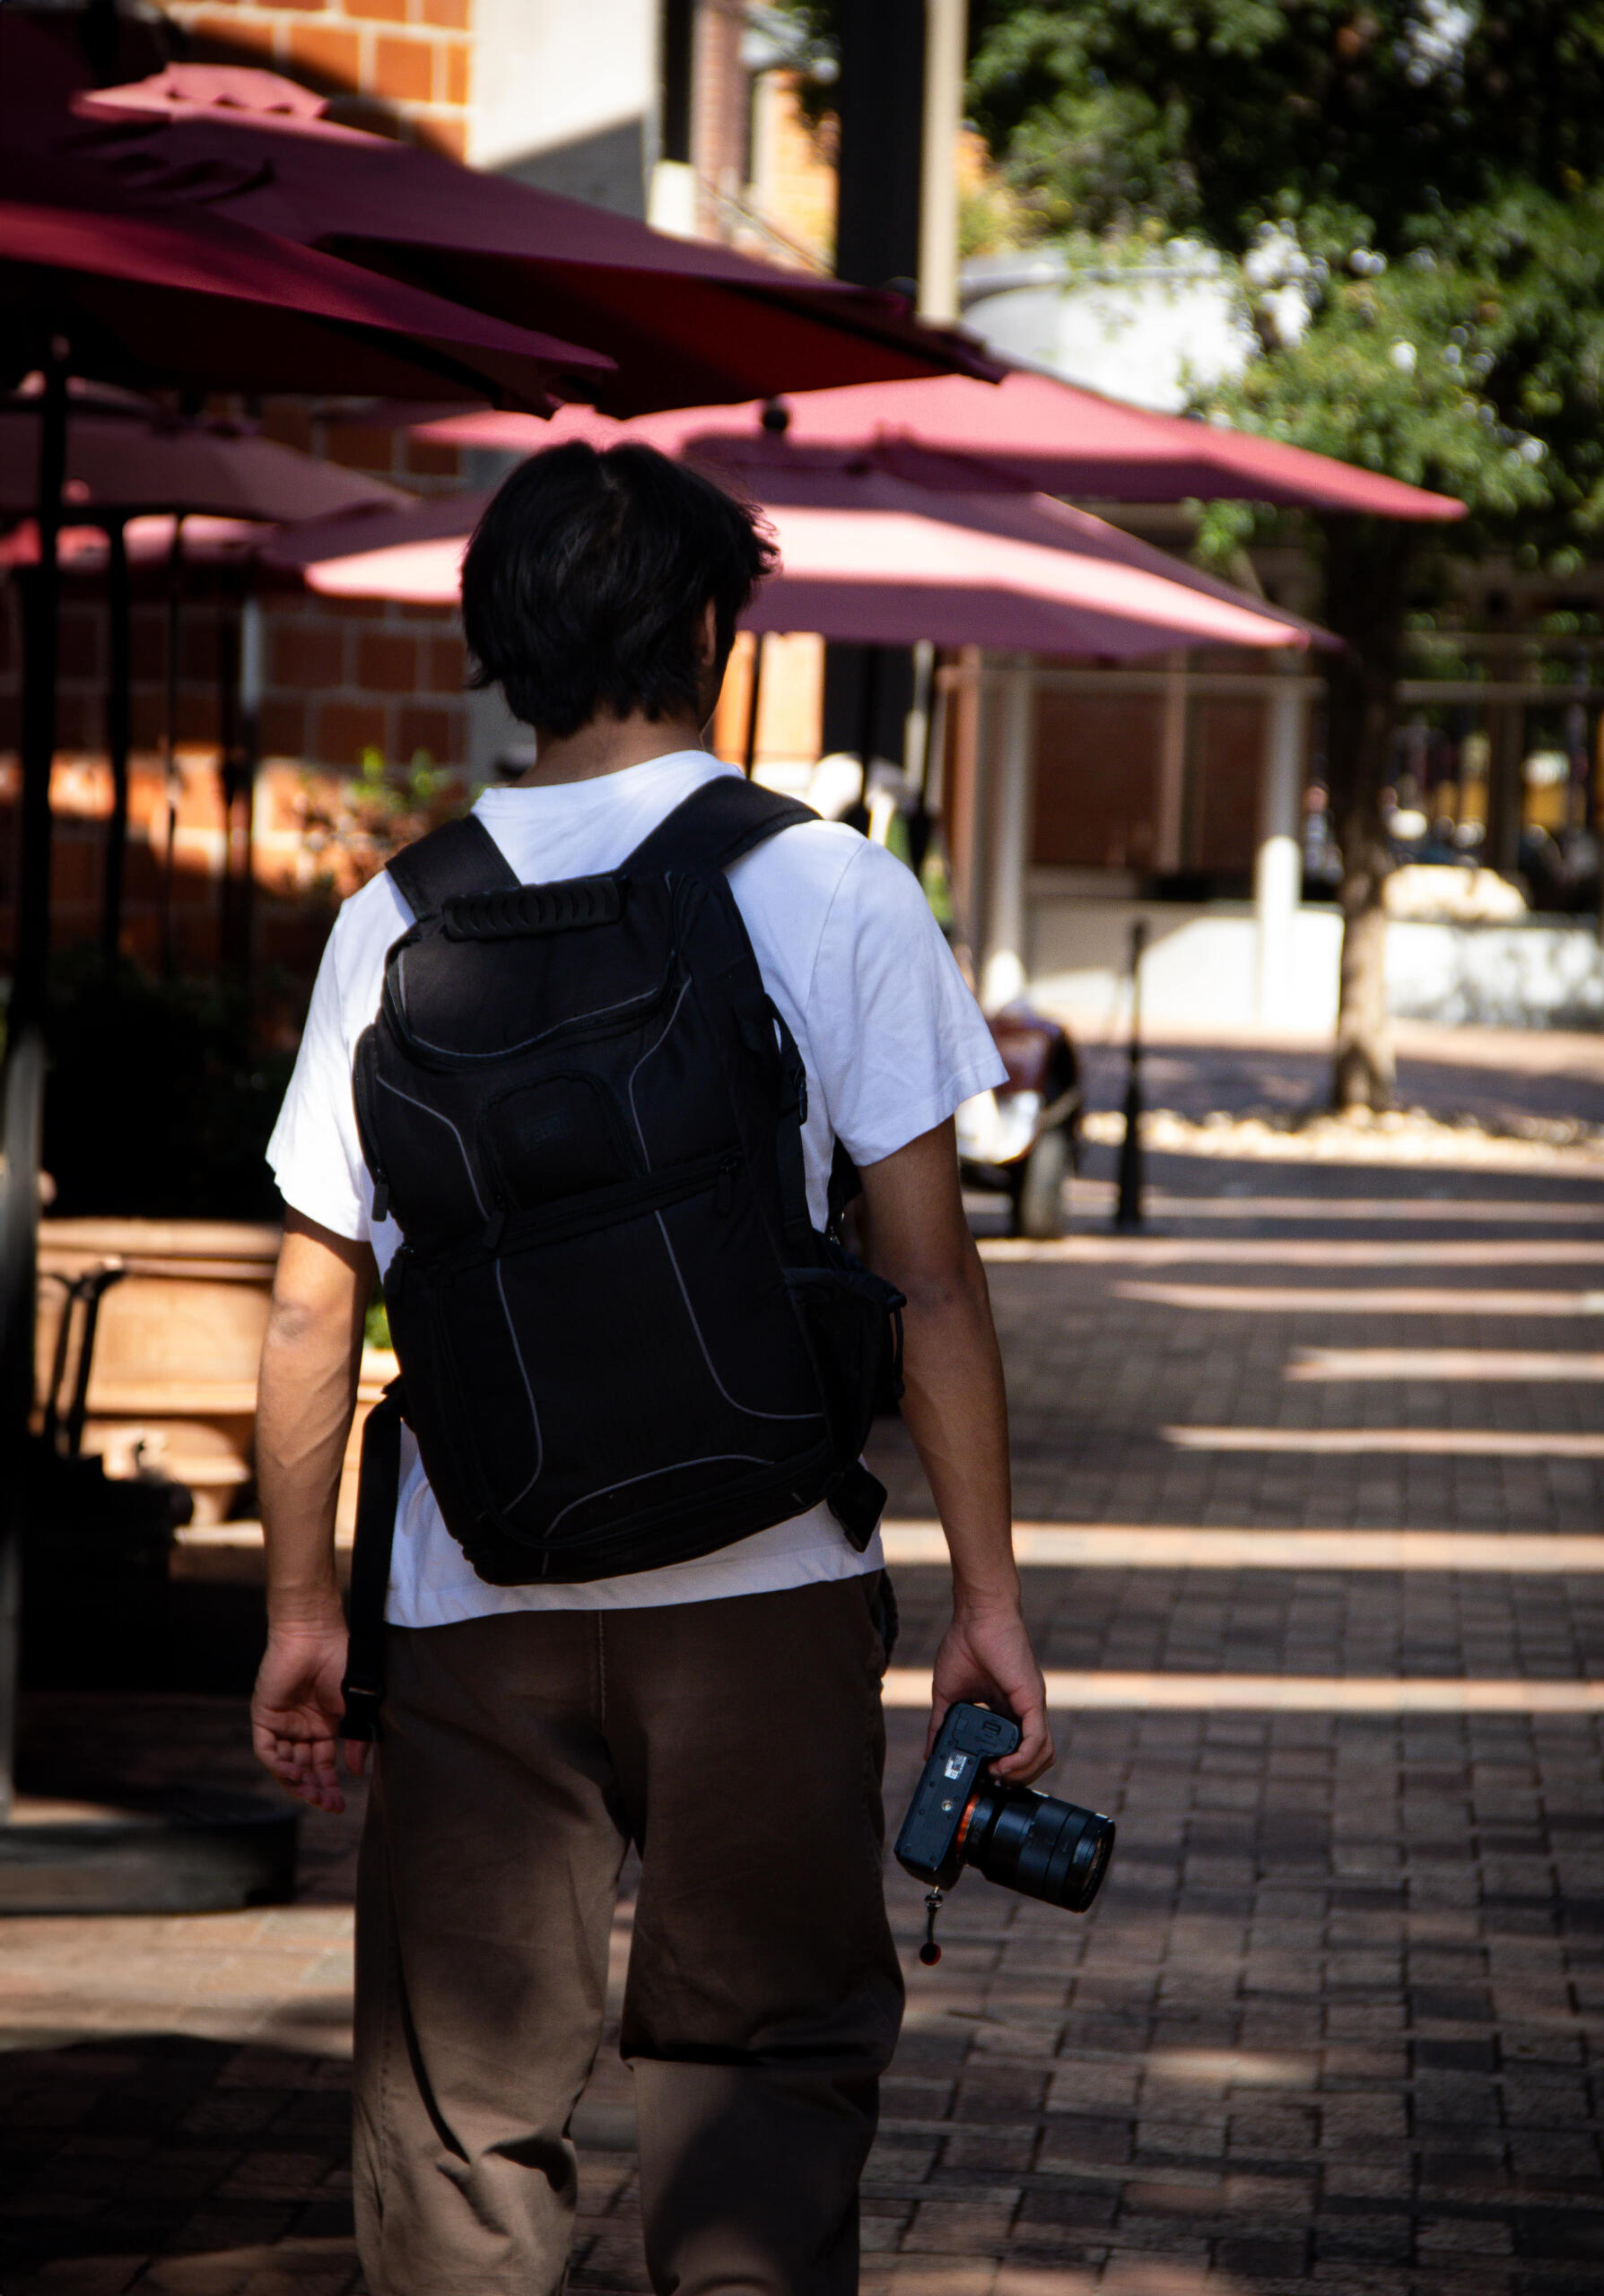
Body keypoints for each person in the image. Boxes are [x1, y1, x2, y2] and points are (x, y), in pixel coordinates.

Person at [250, 440, 1052, 2296]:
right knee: (762, 2072)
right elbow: (930, 1283)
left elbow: (309, 1306)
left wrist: (302, 1610)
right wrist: (988, 1599)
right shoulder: (833, 888)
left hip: (474, 1589)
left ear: (498, 638)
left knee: (459, 2116)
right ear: (708, 626)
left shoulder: (395, 915)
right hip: (765, 1579)